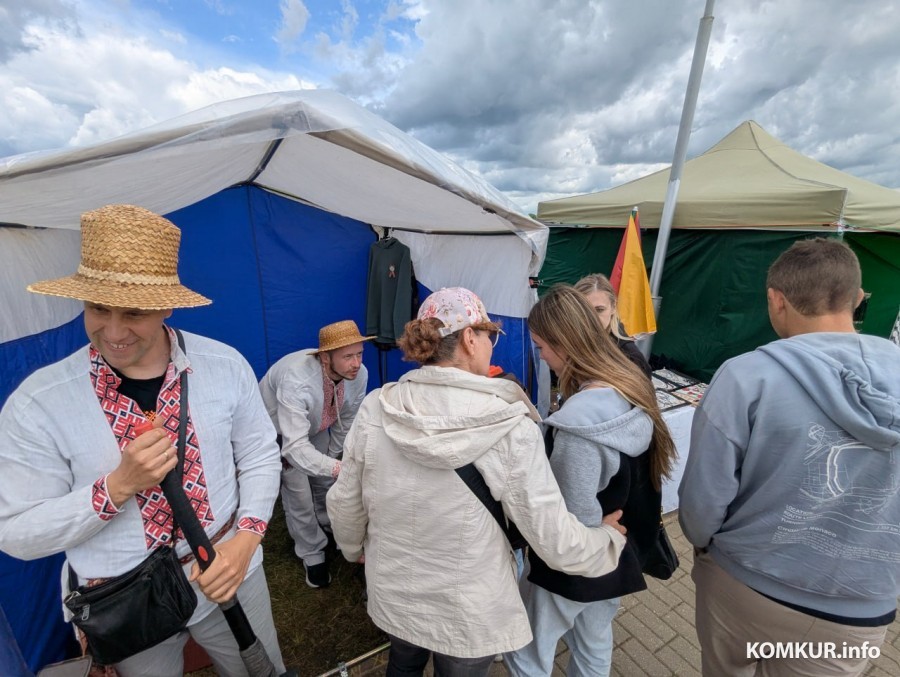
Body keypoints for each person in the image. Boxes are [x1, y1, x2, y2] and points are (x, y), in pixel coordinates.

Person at [0, 204, 285, 676]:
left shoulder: (224, 365)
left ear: (167, 305)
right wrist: (114, 488)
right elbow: (15, 532)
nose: (113, 332)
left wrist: (247, 539)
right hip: (121, 595)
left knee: (261, 670)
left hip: (226, 569)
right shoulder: (39, 403)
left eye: (134, 312)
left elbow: (258, 452)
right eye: (97, 309)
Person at [326, 286, 628, 677]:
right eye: (490, 336)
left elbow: (345, 502)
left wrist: (352, 549)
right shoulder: (511, 426)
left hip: (396, 591)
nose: (492, 346)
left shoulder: (375, 408)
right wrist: (607, 539)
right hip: (468, 612)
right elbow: (556, 543)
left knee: (403, 663)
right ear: (470, 338)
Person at [678, 238, 900, 677]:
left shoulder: (745, 376)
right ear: (858, 300)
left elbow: (703, 499)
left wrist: (703, 545)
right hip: (860, 607)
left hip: (744, 584)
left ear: (775, 300)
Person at [505, 285, 676, 677]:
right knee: (593, 643)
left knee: (527, 651)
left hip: (573, 565)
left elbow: (571, 518)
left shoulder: (578, 427)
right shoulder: (629, 389)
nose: (542, 357)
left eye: (542, 347)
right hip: (617, 556)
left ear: (565, 345)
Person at [259, 320, 373, 588]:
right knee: (298, 490)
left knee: (324, 479)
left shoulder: (360, 375)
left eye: (359, 354)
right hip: (276, 427)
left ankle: (326, 523)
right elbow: (295, 447)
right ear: (325, 358)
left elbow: (347, 422)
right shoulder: (297, 381)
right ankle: (312, 552)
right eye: (347, 356)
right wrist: (339, 469)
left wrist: (335, 461)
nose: (356, 363)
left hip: (318, 422)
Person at [574, 273, 652, 378]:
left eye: (599, 310)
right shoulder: (570, 340)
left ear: (613, 307)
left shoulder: (629, 356)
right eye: (584, 310)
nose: (592, 318)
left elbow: (644, 392)